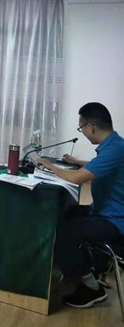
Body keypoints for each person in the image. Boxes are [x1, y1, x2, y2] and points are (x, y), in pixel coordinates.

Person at [35, 103, 124, 309]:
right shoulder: (114, 144)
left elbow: (76, 178)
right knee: (68, 213)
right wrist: (77, 162)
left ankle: (92, 287)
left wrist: (51, 166)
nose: (81, 131)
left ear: (91, 127)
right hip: (106, 213)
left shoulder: (115, 149)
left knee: (62, 230)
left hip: (116, 223)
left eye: (81, 127)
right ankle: (81, 266)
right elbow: (98, 166)